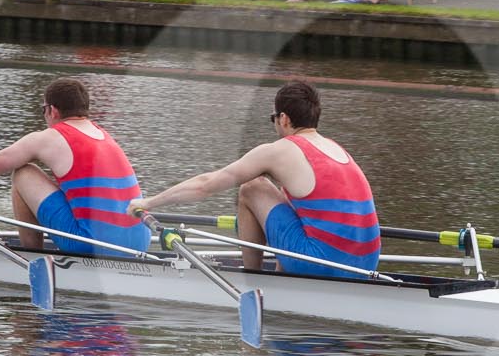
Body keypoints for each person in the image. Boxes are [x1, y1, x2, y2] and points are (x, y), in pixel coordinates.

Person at [135, 80, 379, 281]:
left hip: (323, 264)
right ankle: (282, 275)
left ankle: (253, 279)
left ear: (283, 118)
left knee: (252, 187)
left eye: (273, 118)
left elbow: (206, 184)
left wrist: (149, 203)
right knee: (292, 207)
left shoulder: (280, 151)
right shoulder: (338, 150)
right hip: (366, 263)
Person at [0, 77, 150, 259]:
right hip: (140, 241)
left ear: (52, 110)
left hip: (91, 244)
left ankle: (31, 254)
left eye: (43, 109)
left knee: (23, 172)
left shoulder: (49, 138)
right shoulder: (104, 136)